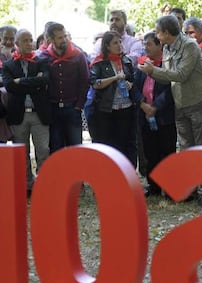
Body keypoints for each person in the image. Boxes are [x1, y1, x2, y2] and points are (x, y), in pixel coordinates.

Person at [138, 15, 202, 207]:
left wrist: (152, 71)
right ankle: (191, 188)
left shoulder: (189, 46)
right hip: (180, 105)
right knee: (187, 150)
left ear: (166, 32)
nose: (157, 36)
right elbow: (167, 79)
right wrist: (151, 71)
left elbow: (181, 74)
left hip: (198, 102)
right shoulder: (167, 48)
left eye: (158, 32)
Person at [2, 29, 52, 197]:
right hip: (19, 115)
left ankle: (44, 183)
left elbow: (45, 79)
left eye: (31, 39)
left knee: (43, 150)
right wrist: (33, 82)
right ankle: (27, 185)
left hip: (39, 113)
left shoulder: (41, 61)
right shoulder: (9, 65)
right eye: (25, 40)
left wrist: (20, 82)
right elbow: (9, 85)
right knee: (21, 154)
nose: (29, 43)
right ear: (17, 44)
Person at [134, 32, 176, 196]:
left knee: (167, 151)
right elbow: (135, 87)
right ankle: (154, 186)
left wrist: (155, 107)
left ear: (160, 45)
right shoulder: (142, 64)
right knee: (150, 152)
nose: (145, 47)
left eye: (149, 44)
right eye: (144, 44)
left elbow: (169, 90)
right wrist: (143, 105)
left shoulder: (167, 65)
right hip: (145, 115)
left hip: (164, 116)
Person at [89, 31, 139, 167]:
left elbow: (133, 80)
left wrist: (130, 84)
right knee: (108, 146)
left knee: (125, 144)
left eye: (120, 42)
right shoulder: (99, 63)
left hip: (126, 109)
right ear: (107, 46)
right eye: (115, 43)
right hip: (106, 111)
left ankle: (126, 174)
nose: (119, 45)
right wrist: (114, 78)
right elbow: (95, 83)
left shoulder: (126, 61)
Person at [40, 22, 89, 153]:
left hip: (72, 107)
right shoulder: (44, 57)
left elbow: (85, 81)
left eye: (65, 36)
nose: (64, 40)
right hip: (53, 109)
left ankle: (76, 174)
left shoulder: (78, 55)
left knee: (75, 148)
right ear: (51, 40)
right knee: (56, 148)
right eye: (60, 38)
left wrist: (79, 105)